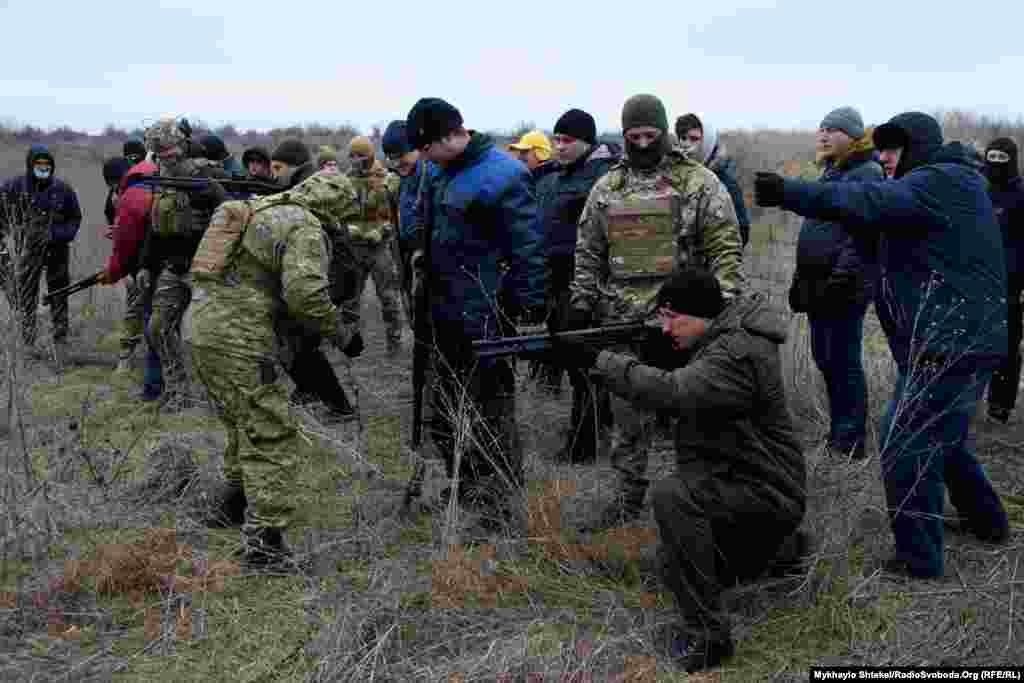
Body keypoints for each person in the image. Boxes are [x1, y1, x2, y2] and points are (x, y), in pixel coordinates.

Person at [755, 111, 1011, 578]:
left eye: (895, 148)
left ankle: (918, 561)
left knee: (904, 440)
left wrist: (789, 193)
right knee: (943, 438)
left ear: (920, 148)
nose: (886, 157)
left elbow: (866, 198)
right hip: (950, 340)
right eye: (882, 147)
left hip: (952, 341)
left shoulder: (940, 181)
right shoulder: (935, 188)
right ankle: (988, 523)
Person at [564, 267, 805, 672]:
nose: (666, 327)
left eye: (674, 317)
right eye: (662, 316)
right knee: (670, 567)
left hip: (766, 493)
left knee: (673, 498)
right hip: (747, 482)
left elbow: (675, 392)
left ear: (703, 316)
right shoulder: (722, 338)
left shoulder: (736, 354)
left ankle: (709, 636)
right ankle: (778, 552)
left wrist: (602, 362)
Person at [569, 93, 745, 526]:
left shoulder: (699, 182)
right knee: (628, 418)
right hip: (624, 322)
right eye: (634, 136)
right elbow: (589, 251)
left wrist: (715, 310)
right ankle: (627, 500)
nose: (643, 143)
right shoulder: (608, 188)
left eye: (651, 134)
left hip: (685, 325)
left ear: (665, 133)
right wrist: (580, 301)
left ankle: (703, 501)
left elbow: (725, 247)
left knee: (697, 416)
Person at [189, 172, 361, 570]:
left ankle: (232, 505)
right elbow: (305, 295)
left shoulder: (256, 209)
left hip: (200, 327)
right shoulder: (304, 226)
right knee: (270, 431)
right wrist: (342, 334)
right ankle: (264, 545)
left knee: (240, 419)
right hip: (239, 337)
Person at [406, 97, 545, 518]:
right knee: (447, 407)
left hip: (486, 314)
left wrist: (528, 312)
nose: (423, 157)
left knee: (491, 409)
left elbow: (528, 251)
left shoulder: (506, 176)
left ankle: (498, 500)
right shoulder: (437, 170)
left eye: (427, 146)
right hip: (441, 312)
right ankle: (462, 484)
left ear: (453, 135)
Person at [789, 106, 882, 459]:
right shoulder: (832, 173)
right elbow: (817, 229)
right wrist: (803, 279)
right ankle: (839, 432)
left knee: (843, 362)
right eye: (821, 128)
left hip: (843, 288)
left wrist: (841, 280)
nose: (823, 135)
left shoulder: (866, 174)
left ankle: (851, 441)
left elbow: (861, 237)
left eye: (833, 130)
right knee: (826, 358)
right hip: (820, 287)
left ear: (854, 137)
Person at [538, 108, 620, 461]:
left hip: (591, 284)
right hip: (557, 279)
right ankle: (597, 428)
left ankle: (583, 446)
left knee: (585, 361)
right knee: (575, 361)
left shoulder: (602, 178)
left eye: (567, 140)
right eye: (556, 139)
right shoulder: (555, 176)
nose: (559, 146)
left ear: (586, 142)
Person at [141, 116, 227, 405]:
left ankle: (224, 393)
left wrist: (211, 198)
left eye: (169, 149)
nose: (166, 156)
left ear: (180, 146)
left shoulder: (204, 173)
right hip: (174, 266)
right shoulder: (161, 178)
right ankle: (179, 391)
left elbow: (231, 215)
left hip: (206, 268)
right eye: (159, 151)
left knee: (206, 333)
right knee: (157, 328)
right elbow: (154, 227)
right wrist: (145, 264)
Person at [270, 138, 359, 419]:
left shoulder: (308, 188)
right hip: (329, 271)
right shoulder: (302, 186)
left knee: (300, 339)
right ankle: (310, 390)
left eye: (277, 167)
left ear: (293, 165)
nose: (274, 174)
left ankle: (340, 406)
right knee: (291, 336)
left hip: (332, 273)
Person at [0, 144, 83, 366]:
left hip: (57, 249)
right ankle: (27, 343)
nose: (43, 168)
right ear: (30, 164)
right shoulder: (13, 187)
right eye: (39, 164)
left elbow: (75, 218)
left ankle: (60, 342)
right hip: (25, 250)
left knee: (59, 293)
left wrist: (58, 234)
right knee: (26, 295)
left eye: (47, 164)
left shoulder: (63, 190)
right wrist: (6, 244)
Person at [342, 135, 404, 355]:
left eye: (360, 155)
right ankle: (349, 344)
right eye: (352, 155)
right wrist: (347, 229)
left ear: (370, 156)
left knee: (388, 297)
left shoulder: (388, 179)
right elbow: (340, 213)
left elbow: (398, 214)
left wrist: (383, 230)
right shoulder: (344, 181)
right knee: (350, 299)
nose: (356, 160)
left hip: (380, 248)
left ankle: (394, 342)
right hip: (354, 248)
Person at [984, 137, 1024, 423]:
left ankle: (1001, 404)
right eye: (991, 157)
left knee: (1007, 346)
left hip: (1011, 282)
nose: (995, 163)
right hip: (977, 278)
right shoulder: (978, 190)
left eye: (1002, 158)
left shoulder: (1020, 194)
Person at [675, 113, 752, 247]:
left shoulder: (725, 182)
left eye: (694, 139)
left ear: (707, 142)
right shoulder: (674, 176)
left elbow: (742, 231)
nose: (686, 144)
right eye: (683, 138)